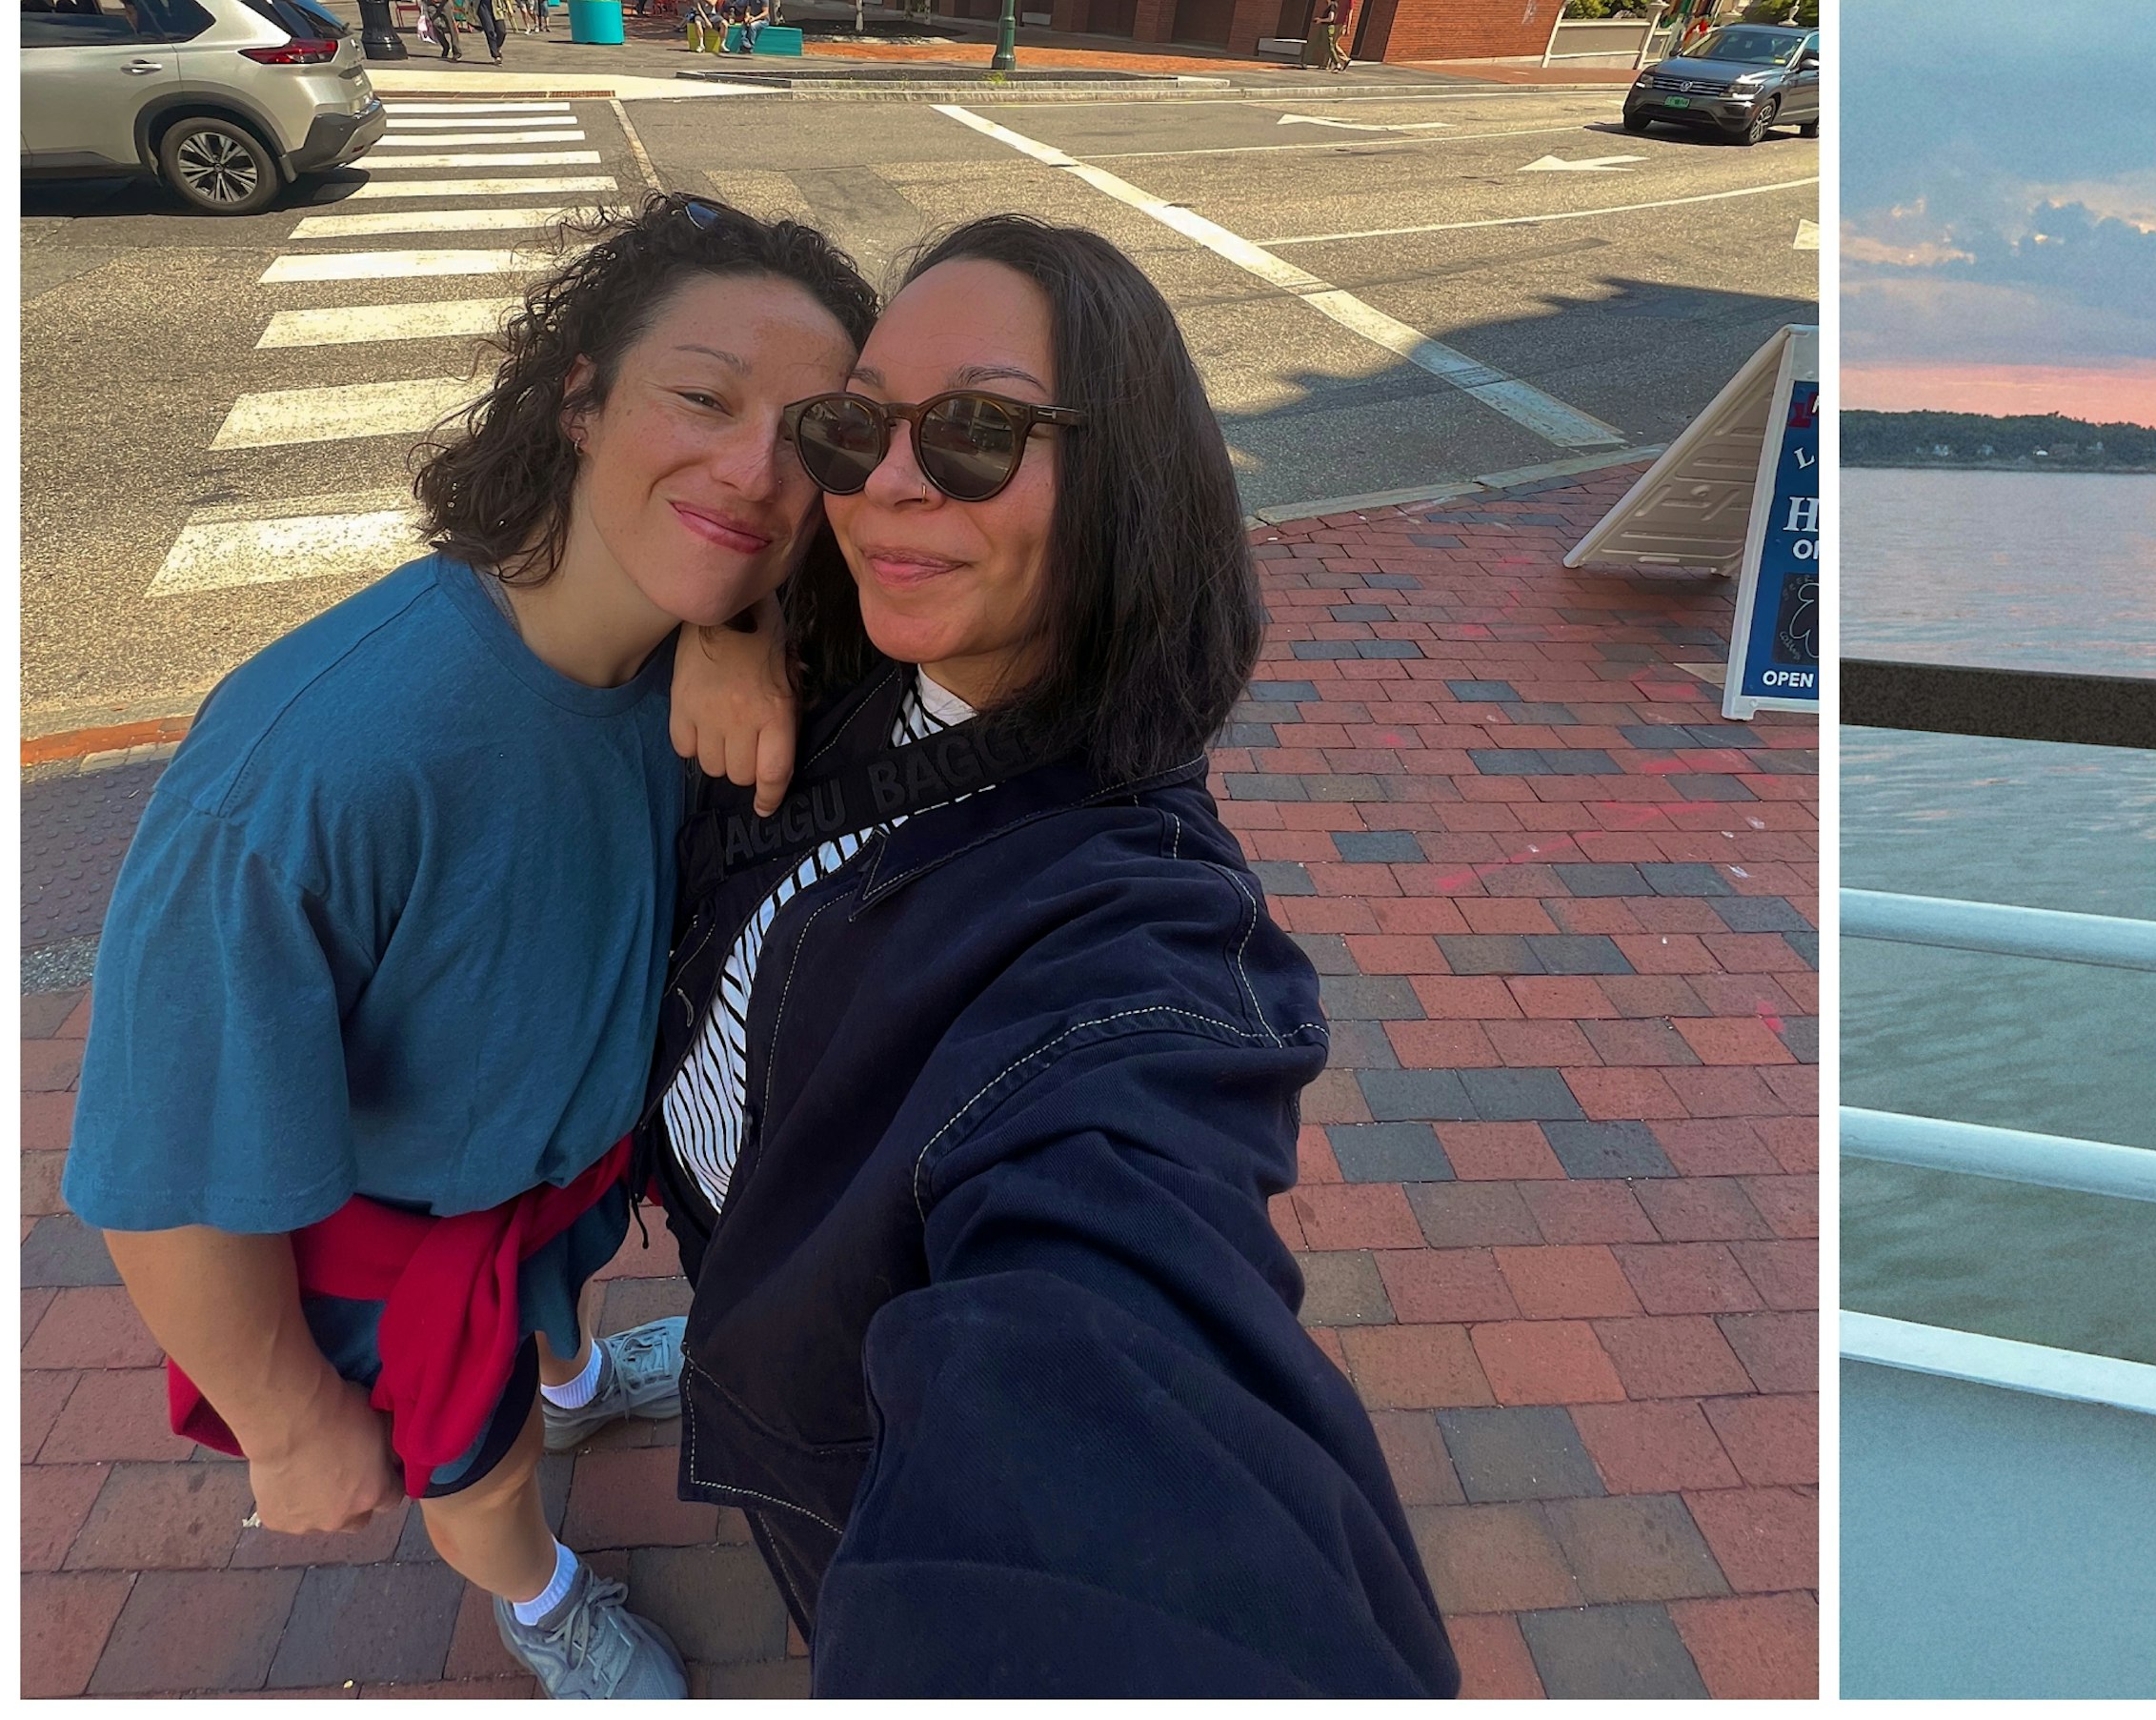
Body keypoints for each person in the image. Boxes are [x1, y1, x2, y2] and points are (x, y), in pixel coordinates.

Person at [68, 198, 882, 1699]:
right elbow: (162, 1172)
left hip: (560, 1176)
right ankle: (542, 1594)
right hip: (414, 1242)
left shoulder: (673, 652)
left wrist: (743, 616)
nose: (760, 473)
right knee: (484, 1462)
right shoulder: (315, 764)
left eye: (813, 433)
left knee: (553, 1319)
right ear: (576, 393)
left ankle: (570, 1374)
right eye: (700, 398)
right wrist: (286, 1413)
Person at [650, 216, 1456, 1692]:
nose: (887, 483)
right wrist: (729, 619)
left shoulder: (1128, 924)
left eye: (975, 429)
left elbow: (1117, 1294)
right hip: (746, 1270)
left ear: (1121, 474)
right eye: (857, 426)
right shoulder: (867, 660)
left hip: (850, 1427)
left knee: (839, 1578)